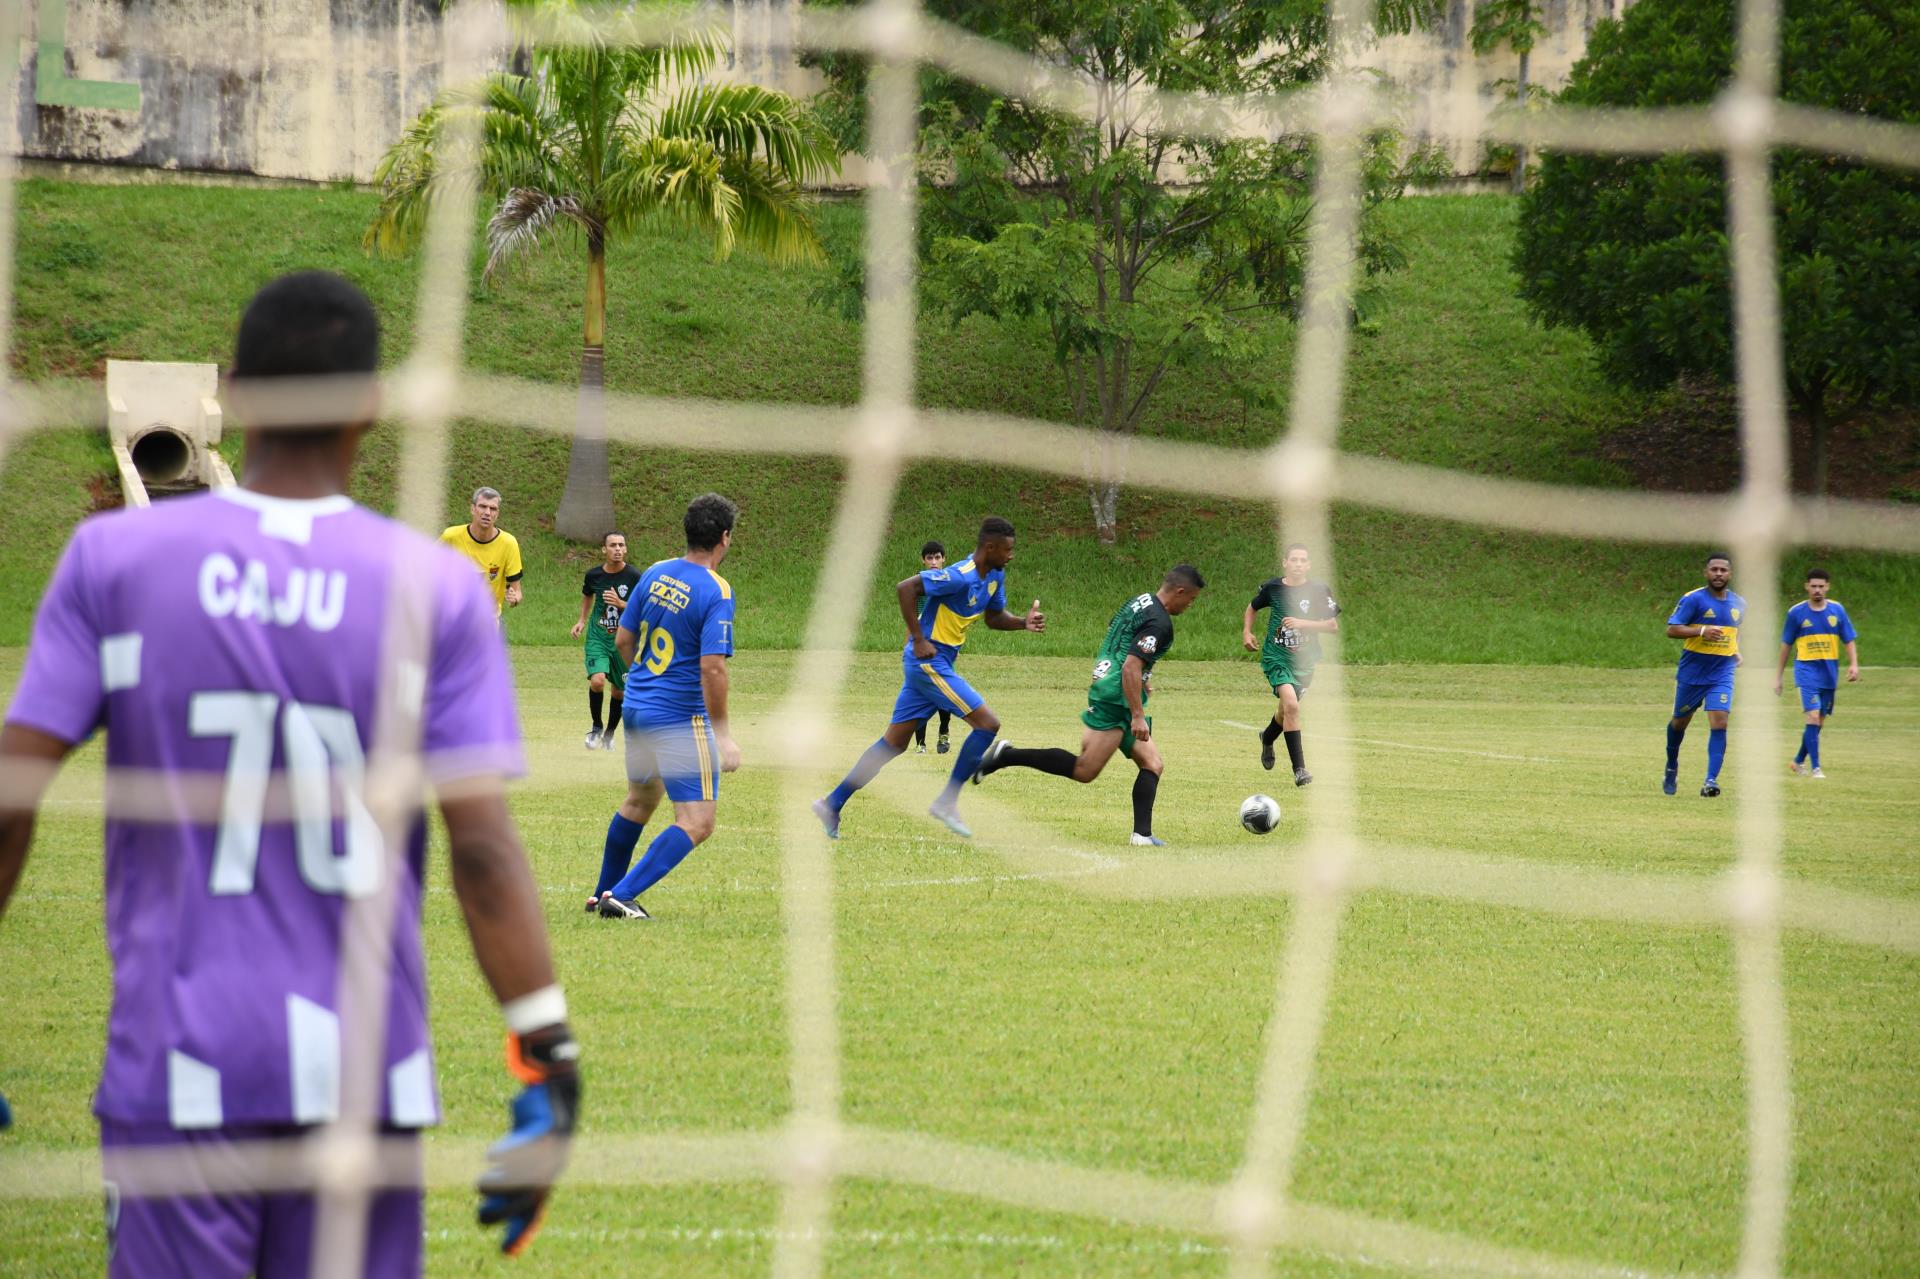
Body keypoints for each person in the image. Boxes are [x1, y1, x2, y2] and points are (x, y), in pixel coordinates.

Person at [0, 273, 576, 1274]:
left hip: (178, 1069)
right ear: (372, 407)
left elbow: (14, 794)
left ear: (233, 398)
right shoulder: (434, 587)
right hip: (364, 1080)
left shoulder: (116, 562)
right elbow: (480, 846)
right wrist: (546, 1051)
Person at [813, 517, 1044, 841]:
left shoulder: (994, 576)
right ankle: (947, 802)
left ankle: (832, 804)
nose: (1011, 555)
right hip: (929, 662)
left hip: (937, 663)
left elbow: (993, 618)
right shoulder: (958, 576)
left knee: (893, 744)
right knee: (988, 724)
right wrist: (919, 638)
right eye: (1007, 549)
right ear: (989, 547)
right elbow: (906, 588)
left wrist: (1023, 623)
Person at [974, 566, 1206, 845]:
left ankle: (1142, 835)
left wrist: (1142, 680)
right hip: (1116, 697)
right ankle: (1006, 756)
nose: (1190, 605)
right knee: (1085, 770)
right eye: (1191, 599)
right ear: (1180, 591)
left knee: (1153, 763)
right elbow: (1131, 666)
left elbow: (1120, 636)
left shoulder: (1140, 601)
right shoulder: (1160, 623)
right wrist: (1137, 715)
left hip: (1110, 683)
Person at [592, 495, 743, 920]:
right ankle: (619, 896)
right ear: (724, 538)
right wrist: (724, 736)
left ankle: (602, 890)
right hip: (679, 717)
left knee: (640, 800)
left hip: (638, 705)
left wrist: (643, 681)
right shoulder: (716, 590)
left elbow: (623, 640)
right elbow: (712, 669)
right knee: (698, 821)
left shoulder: (657, 571)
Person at [1243, 544, 1341, 787]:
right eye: (1293, 559)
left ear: (1308, 565)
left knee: (1286, 711)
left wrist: (1302, 623)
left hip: (1305, 662)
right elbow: (1252, 607)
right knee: (1292, 706)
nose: (1298, 564)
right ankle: (1300, 770)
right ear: (1285, 562)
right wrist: (1247, 632)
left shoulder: (1319, 590)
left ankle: (1267, 737)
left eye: (1303, 560)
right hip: (1276, 658)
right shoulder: (1273, 588)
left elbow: (1331, 626)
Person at [1664, 552, 1746, 797]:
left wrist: (1736, 650)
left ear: (1730, 574)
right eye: (1714, 570)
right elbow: (1672, 629)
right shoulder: (1693, 599)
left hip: (1722, 671)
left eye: (1723, 570)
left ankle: (1710, 781)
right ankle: (1671, 765)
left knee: (1720, 721)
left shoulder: (1739, 603)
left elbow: (1736, 629)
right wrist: (1701, 631)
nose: (1719, 574)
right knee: (1680, 722)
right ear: (1706, 573)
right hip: (1693, 673)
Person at [1774, 567, 1860, 779]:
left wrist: (1854, 665)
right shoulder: (1796, 613)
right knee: (1812, 717)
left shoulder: (1837, 610)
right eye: (1813, 586)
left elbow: (1848, 639)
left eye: (1821, 586)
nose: (1817, 590)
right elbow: (1786, 645)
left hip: (1829, 673)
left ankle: (1797, 761)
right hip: (1806, 671)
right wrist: (1778, 677)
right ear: (1807, 587)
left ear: (1827, 587)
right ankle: (1816, 768)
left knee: (1818, 722)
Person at [571, 531, 641, 751]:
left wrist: (622, 604)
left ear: (626, 549)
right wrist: (582, 620)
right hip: (598, 636)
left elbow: (644, 607)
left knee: (619, 691)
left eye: (621, 545)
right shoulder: (594, 576)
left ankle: (609, 735)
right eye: (613, 545)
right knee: (598, 681)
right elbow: (587, 594)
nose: (617, 549)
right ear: (604, 549)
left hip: (623, 640)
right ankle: (596, 727)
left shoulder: (635, 576)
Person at [441, 486, 523, 619]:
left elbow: (517, 591)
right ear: (473, 509)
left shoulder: (509, 543)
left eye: (493, 508)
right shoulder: (451, 537)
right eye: (482, 506)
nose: (487, 513)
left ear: (498, 514)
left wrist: (514, 598)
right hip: (453, 620)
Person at [910, 540, 954, 755]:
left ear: (944, 559)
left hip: (943, 647)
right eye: (930, 558)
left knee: (943, 692)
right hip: (922, 645)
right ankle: (920, 743)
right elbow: (914, 616)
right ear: (923, 560)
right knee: (921, 693)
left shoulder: (951, 583)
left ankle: (944, 733)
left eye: (938, 557)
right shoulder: (919, 584)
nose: (934, 562)